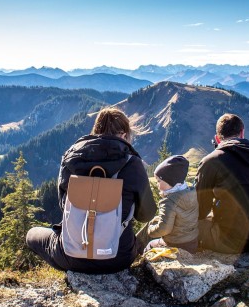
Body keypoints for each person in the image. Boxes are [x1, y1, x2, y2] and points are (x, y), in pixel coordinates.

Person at [26, 107, 157, 273]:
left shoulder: (71, 157)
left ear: (96, 130)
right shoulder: (132, 164)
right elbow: (146, 214)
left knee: (32, 234)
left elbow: (63, 204)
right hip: (117, 257)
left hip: (70, 256)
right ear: (124, 135)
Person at [195, 113, 249, 254]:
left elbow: (201, 210)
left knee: (178, 224)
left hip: (231, 241)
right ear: (242, 133)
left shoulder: (212, 161)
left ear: (217, 139)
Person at [139, 155, 199, 254]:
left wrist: (150, 230)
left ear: (170, 181)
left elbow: (163, 229)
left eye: (159, 181)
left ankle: (139, 259)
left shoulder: (169, 202)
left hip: (176, 244)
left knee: (150, 244)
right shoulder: (191, 193)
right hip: (192, 241)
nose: (157, 184)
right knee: (154, 220)